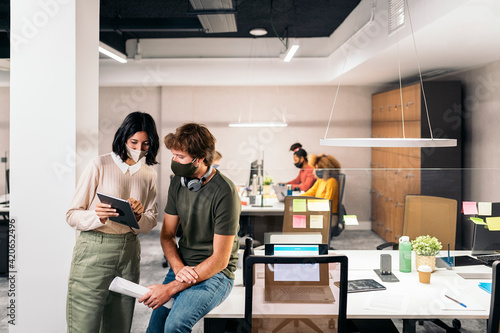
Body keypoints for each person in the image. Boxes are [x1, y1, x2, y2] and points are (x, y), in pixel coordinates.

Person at [140, 123, 240, 332]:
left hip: (216, 273)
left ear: (200, 158)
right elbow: (167, 235)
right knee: (155, 329)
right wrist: (179, 269)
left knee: (175, 325)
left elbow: (220, 260)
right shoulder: (178, 182)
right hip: (183, 266)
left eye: (180, 157)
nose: (174, 161)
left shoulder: (225, 192)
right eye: (173, 155)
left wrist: (171, 288)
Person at [66, 111, 160, 333]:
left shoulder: (149, 174)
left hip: (128, 253)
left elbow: (151, 221)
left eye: (145, 144)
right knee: (84, 322)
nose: (138, 149)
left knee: (119, 323)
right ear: (123, 138)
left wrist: (139, 217)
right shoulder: (99, 165)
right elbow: (72, 215)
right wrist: (96, 216)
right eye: (134, 142)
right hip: (94, 250)